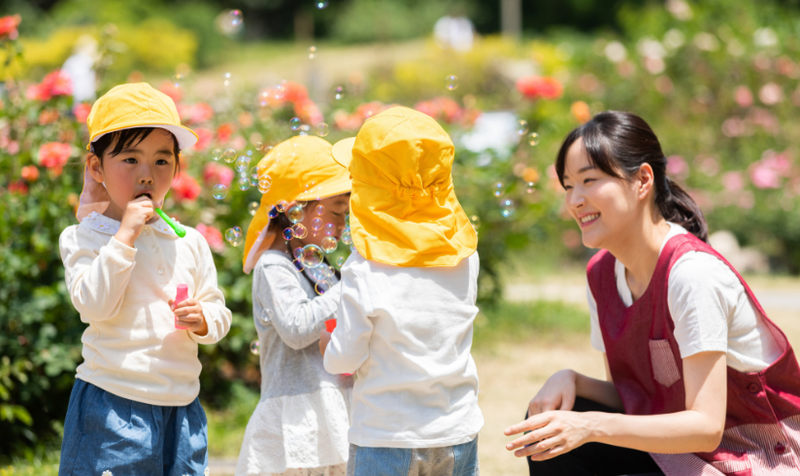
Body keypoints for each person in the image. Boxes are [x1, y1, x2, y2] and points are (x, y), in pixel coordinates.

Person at [504, 111, 800, 475]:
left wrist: (590, 425)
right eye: (568, 186)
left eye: (589, 180)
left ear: (643, 180)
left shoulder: (692, 275)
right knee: (552, 422)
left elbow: (706, 427)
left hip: (753, 458)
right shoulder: (601, 274)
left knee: (579, 425)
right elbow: (635, 398)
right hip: (678, 454)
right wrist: (572, 379)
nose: (575, 200)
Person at [58, 83, 232, 475]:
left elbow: (218, 310)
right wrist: (124, 236)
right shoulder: (84, 237)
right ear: (97, 168)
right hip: (113, 405)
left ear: (177, 168)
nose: (147, 175)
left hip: (182, 408)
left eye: (161, 161)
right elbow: (94, 305)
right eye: (130, 159)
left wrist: (204, 320)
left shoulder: (189, 241)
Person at [320, 106, 483, 476]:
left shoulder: (364, 268)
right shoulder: (465, 256)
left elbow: (345, 357)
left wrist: (329, 349)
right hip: (457, 432)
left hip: (387, 437)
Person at [236, 136, 354, 476]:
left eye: (346, 214)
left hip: (333, 410)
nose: (343, 224)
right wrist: (352, 283)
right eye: (336, 211)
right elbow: (297, 328)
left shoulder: (319, 266)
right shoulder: (273, 266)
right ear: (294, 211)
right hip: (296, 421)